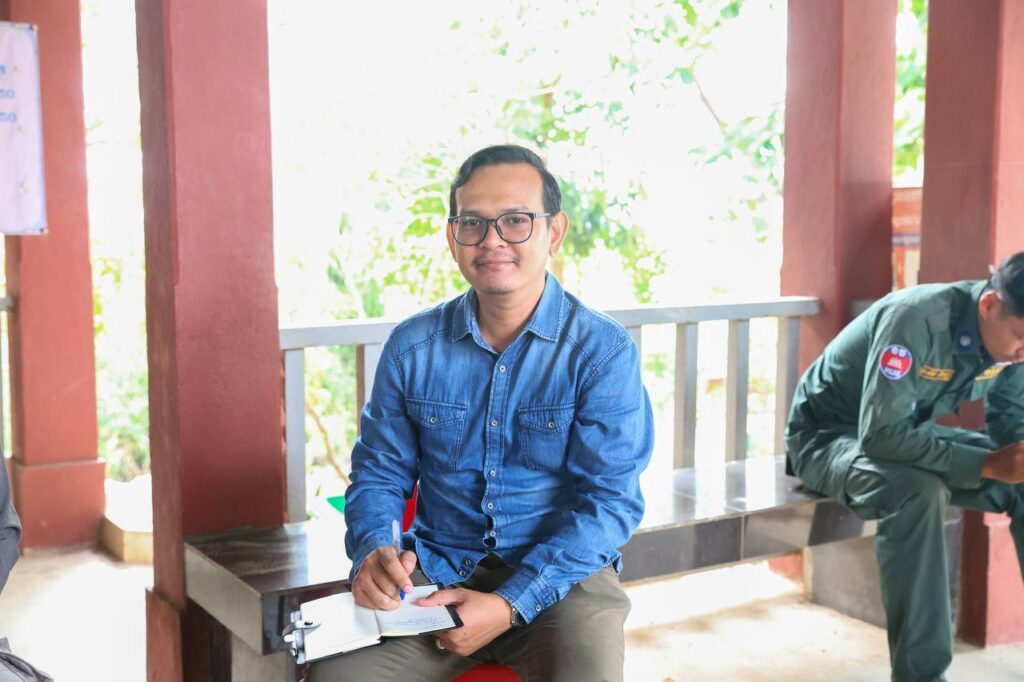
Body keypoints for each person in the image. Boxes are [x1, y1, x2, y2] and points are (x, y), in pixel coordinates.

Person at [309, 145, 654, 682]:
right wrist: (374, 550)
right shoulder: (412, 348)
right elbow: (379, 472)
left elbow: (609, 503)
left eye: (516, 220)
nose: (492, 240)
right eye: (473, 223)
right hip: (436, 571)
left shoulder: (601, 351)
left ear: (554, 232)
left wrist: (510, 603)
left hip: (563, 580)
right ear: (453, 238)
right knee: (337, 677)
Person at [785, 252, 1024, 682]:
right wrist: (987, 464)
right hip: (828, 438)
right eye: (1021, 337)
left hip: (906, 434)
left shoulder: (1012, 347)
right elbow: (879, 436)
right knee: (919, 493)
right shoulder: (916, 320)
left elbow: (1010, 424)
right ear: (990, 305)